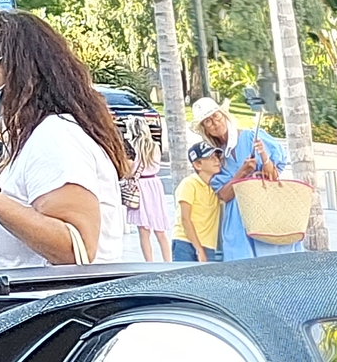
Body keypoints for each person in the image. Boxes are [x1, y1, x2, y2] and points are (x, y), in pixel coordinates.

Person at [0, 10, 127, 267]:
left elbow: (76, 249)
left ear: (10, 65)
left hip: (53, 304)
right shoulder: (42, 134)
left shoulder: (55, 136)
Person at [190, 95, 300, 259]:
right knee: (242, 265)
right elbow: (224, 195)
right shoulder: (213, 156)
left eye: (216, 116)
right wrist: (243, 172)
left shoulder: (251, 137)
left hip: (265, 209)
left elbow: (274, 174)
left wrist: (263, 154)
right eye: (207, 121)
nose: (215, 123)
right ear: (204, 128)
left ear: (224, 115)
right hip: (237, 219)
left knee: (271, 262)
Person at [123, 118, 172, 261]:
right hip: (154, 184)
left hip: (140, 186)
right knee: (160, 230)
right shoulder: (155, 146)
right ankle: (167, 262)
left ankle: (149, 263)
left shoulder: (133, 147)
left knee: (143, 231)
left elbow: (131, 171)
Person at [174, 139, 223, 259]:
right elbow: (185, 219)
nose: (216, 160)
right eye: (210, 157)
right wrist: (199, 249)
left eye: (216, 156)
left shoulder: (216, 185)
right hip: (185, 242)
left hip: (208, 245)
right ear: (197, 165)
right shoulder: (189, 183)